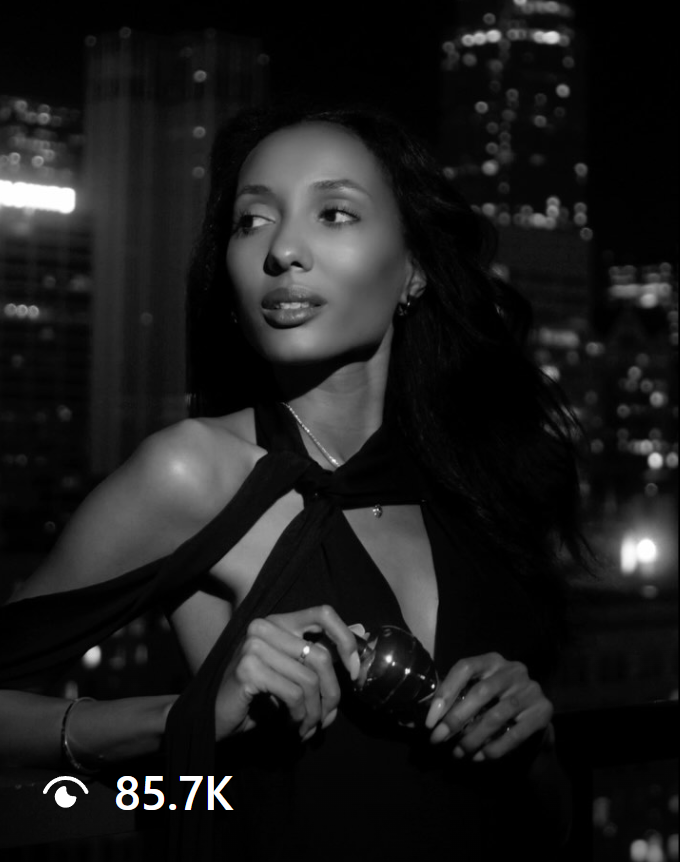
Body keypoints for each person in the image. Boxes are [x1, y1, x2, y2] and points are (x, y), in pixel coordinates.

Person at [0, 104, 593, 860]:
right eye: (252, 223)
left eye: (335, 212)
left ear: (413, 267)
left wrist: (531, 740)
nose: (283, 249)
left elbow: (553, 823)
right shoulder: (194, 472)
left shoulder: (476, 484)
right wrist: (186, 717)